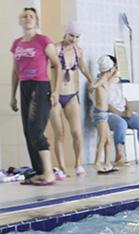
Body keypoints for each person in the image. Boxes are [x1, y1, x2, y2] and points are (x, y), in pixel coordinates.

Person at [9, 7, 63, 186]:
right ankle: (40, 172)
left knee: (36, 130)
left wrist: (55, 91)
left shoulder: (43, 40)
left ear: (36, 20)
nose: (27, 18)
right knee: (28, 131)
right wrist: (13, 96)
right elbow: (15, 71)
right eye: (24, 16)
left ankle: (49, 173)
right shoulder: (17, 44)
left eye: (31, 16)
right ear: (20, 21)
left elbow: (57, 65)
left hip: (40, 86)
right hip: (24, 86)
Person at [46, 23, 91, 178]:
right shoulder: (55, 48)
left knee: (77, 132)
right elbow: (44, 67)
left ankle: (78, 164)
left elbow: (83, 68)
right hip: (56, 96)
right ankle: (62, 167)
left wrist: (92, 82)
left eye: (77, 37)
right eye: (71, 35)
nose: (74, 39)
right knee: (60, 133)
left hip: (71, 95)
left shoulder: (79, 51)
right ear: (65, 34)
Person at [107, 69, 139, 166]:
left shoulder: (115, 85)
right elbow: (106, 105)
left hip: (123, 114)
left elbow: (124, 99)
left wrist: (128, 110)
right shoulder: (100, 85)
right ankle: (119, 156)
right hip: (109, 115)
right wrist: (121, 114)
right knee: (121, 124)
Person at [89, 56, 118, 174]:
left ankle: (107, 163)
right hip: (100, 114)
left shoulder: (105, 80)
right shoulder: (101, 80)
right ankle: (97, 163)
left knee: (108, 139)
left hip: (104, 114)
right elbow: (93, 86)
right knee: (102, 139)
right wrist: (92, 88)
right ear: (110, 69)